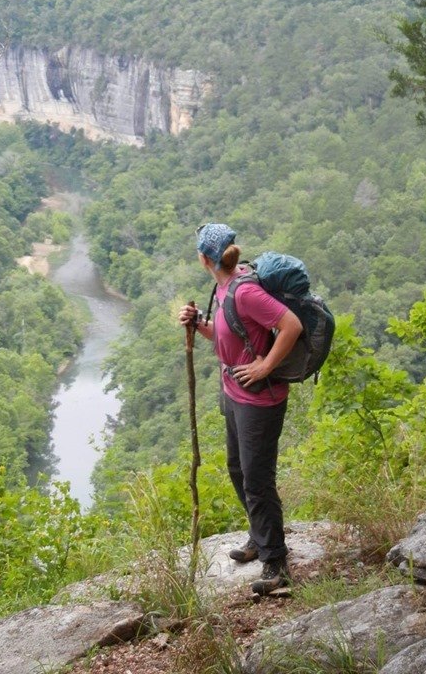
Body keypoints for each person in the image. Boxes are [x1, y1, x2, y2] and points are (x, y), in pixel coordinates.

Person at [179, 223, 303, 595]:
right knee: (238, 469)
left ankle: (276, 562)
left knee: (257, 478)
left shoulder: (245, 290)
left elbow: (291, 325)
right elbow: (228, 332)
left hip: (259, 400)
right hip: (235, 393)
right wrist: (199, 323)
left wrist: (265, 366)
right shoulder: (224, 287)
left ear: (205, 259)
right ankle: (258, 536)